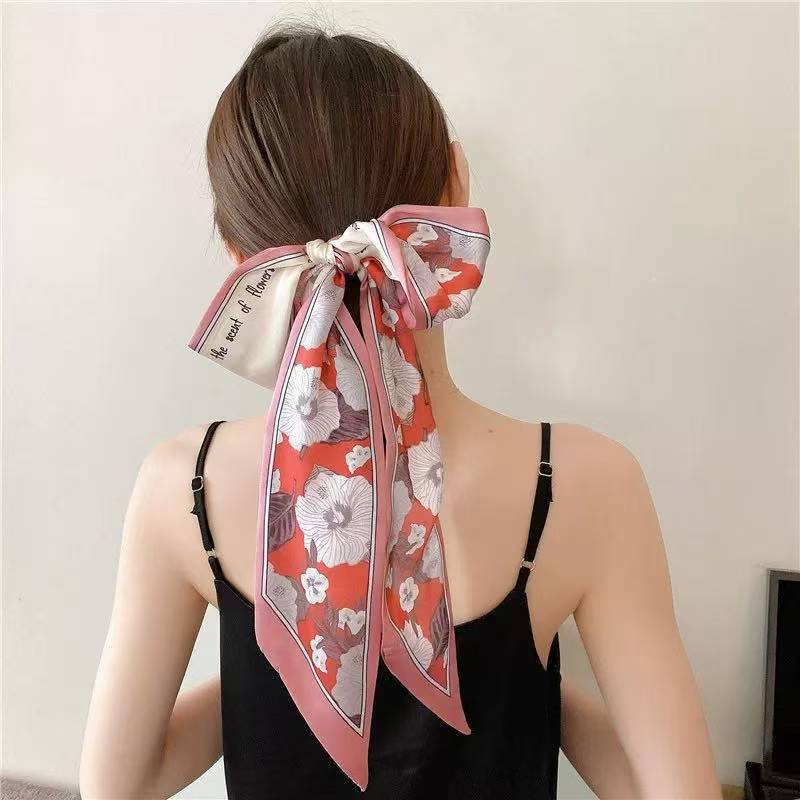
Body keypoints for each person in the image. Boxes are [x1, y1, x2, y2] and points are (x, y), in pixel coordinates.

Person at [80, 23, 721, 800]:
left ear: (240, 258)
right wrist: (523, 678)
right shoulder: (588, 485)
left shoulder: (185, 487)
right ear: (455, 192)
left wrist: (291, 659)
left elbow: (120, 782)